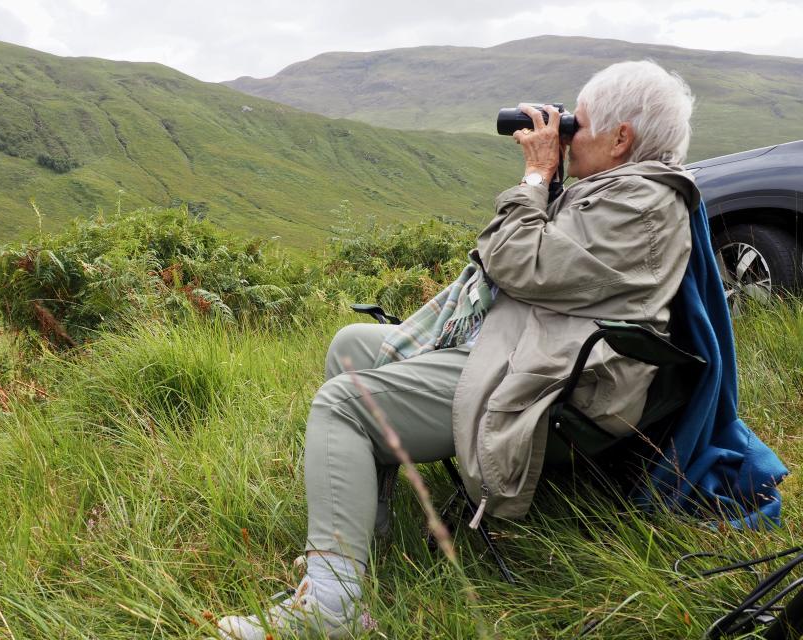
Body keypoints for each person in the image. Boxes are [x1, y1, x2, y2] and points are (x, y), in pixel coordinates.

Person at [214, 60, 700, 639]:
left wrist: (537, 175)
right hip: (533, 342)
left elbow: (519, 261)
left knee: (344, 403)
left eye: (581, 124)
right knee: (352, 346)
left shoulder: (639, 203)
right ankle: (360, 534)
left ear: (621, 139)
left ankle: (331, 607)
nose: (567, 136)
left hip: (553, 379)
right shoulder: (622, 190)